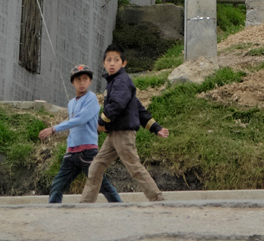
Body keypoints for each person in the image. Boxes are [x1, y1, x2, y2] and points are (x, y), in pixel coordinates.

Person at [79, 44, 169, 203]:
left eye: (116, 60)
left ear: (124, 63)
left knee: (134, 168)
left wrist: (101, 122)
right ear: (104, 64)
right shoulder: (115, 82)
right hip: (114, 135)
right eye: (108, 60)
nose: (112, 63)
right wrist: (156, 128)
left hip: (123, 134)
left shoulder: (121, 81)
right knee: (97, 166)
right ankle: (85, 204)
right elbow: (138, 109)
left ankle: (158, 199)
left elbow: (117, 105)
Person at [39, 63, 122, 205]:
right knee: (57, 185)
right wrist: (67, 147)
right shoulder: (71, 103)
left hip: (88, 152)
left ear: (90, 81)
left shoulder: (92, 99)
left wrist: (54, 129)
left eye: (85, 79)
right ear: (73, 83)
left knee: (102, 184)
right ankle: (52, 212)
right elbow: (72, 122)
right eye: (78, 80)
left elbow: (80, 119)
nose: (81, 83)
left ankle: (120, 207)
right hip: (71, 153)